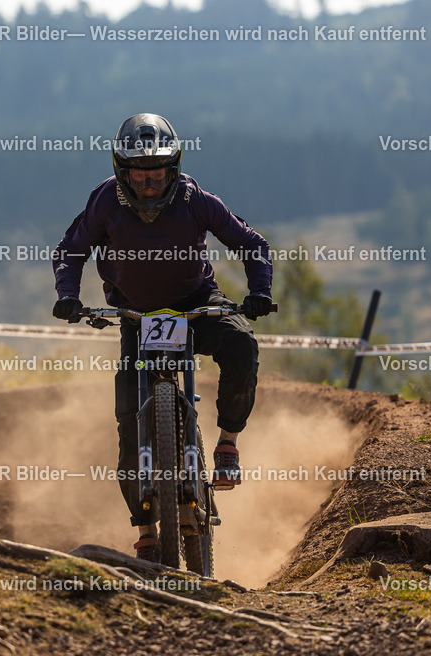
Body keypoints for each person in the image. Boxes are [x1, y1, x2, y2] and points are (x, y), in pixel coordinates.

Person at [51, 113, 273, 562]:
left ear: (173, 168)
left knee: (242, 345)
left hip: (196, 304)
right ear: (122, 170)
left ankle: (228, 443)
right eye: (139, 171)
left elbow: (251, 242)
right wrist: (68, 297)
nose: (149, 181)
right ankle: (146, 528)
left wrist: (259, 292)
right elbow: (71, 249)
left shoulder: (196, 199)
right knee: (130, 420)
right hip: (136, 315)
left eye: (158, 170)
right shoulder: (104, 203)